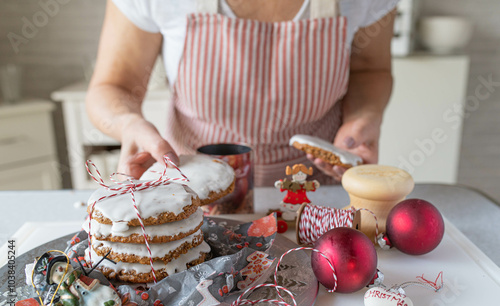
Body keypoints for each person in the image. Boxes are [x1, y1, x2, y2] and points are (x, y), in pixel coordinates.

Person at [86, 0, 397, 186]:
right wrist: (128, 124)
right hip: (194, 196)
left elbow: (370, 70)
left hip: (312, 193)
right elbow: (114, 86)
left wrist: (362, 120)